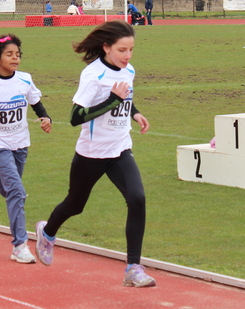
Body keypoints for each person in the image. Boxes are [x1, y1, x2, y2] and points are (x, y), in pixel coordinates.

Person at [35, 20, 156, 287]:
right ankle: (48, 232)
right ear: (106, 48)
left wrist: (134, 112)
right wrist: (112, 100)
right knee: (75, 205)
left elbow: (126, 94)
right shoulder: (93, 75)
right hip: (92, 153)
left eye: (131, 50)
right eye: (122, 50)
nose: (128, 56)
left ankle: (133, 268)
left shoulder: (129, 70)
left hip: (120, 148)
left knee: (137, 198)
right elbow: (76, 117)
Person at [0, 34, 52, 264]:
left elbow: (36, 103)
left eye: (18, 55)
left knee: (8, 192)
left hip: (20, 144)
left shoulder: (25, 80)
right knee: (17, 192)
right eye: (9, 54)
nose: (15, 58)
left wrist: (45, 118)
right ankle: (19, 245)